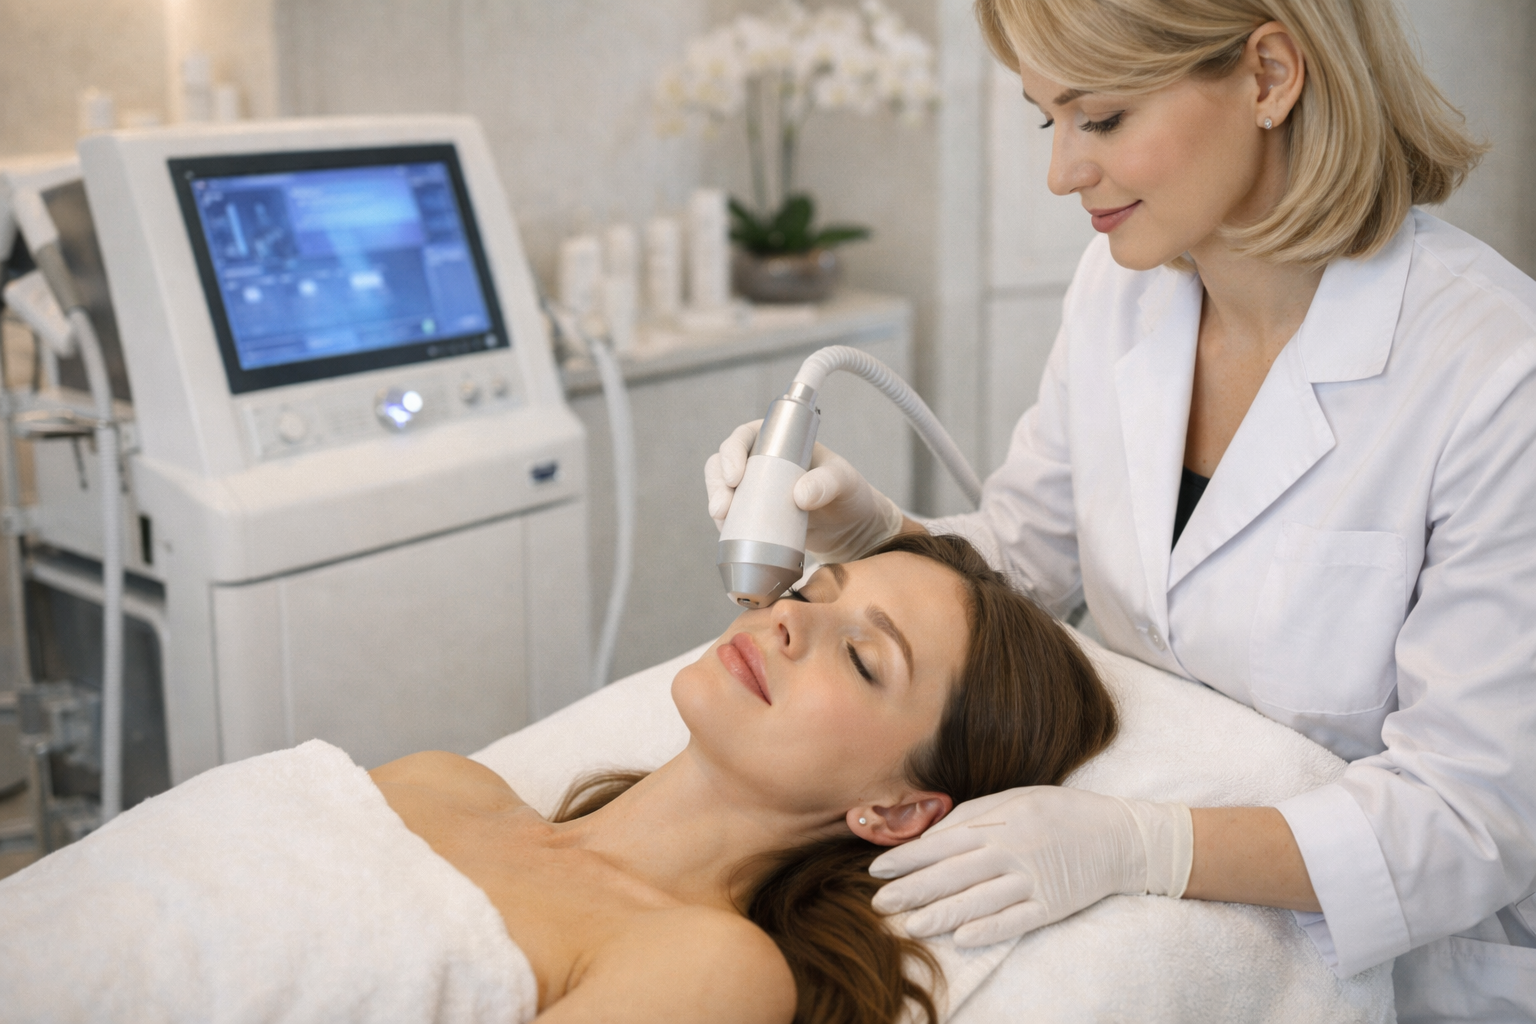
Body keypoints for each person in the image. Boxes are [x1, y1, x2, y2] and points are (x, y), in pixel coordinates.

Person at [704, 0, 1536, 1019]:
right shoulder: (1122, 287)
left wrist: (1147, 845)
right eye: (1045, 118)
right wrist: (879, 537)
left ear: (1270, 76)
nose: (1063, 172)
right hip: (1179, 941)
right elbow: (1028, 560)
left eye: (1100, 118)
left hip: (1415, 971)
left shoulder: (1496, 376)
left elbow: (1474, 819)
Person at [0, 533, 1120, 1024]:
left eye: (863, 656)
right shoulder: (443, 784)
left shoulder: (709, 965)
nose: (788, 622)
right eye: (810, 593)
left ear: (897, 810)